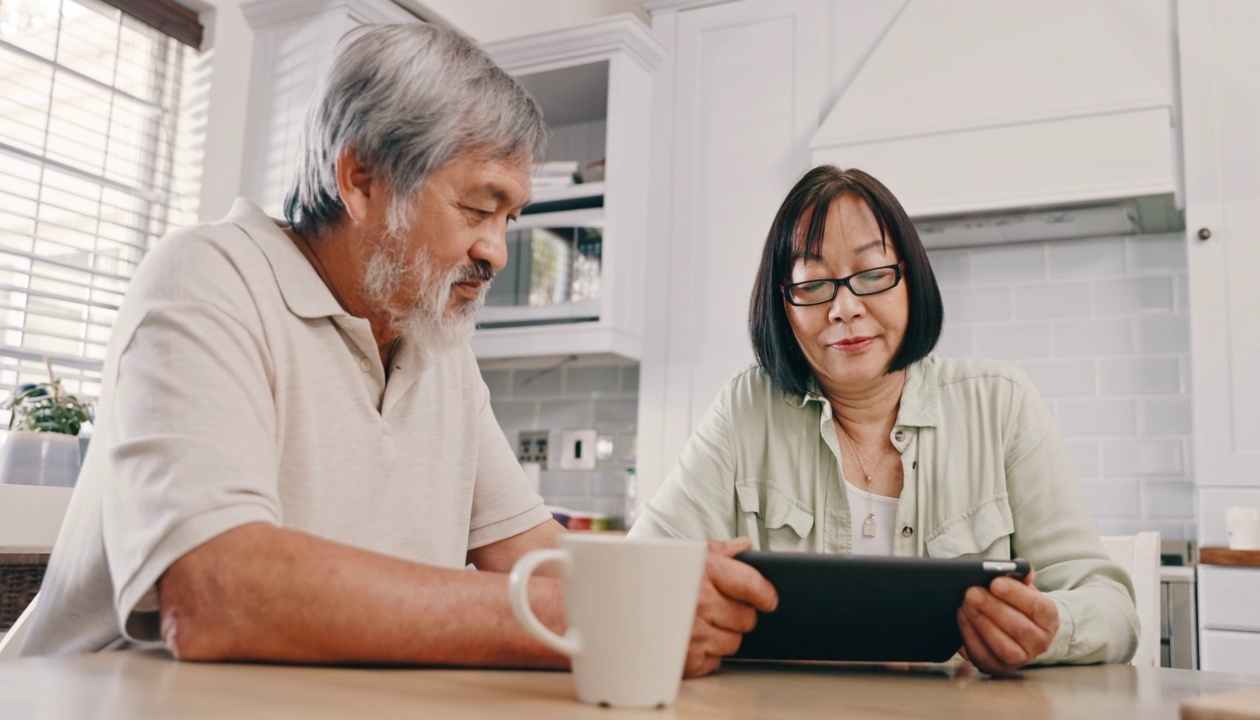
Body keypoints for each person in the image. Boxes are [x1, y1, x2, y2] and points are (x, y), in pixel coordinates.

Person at [20, 23, 776, 677]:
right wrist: (588, 616)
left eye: (510, 217)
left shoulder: (434, 341)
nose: (497, 251)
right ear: (362, 177)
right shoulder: (207, 277)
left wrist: (664, 587)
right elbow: (216, 593)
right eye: (480, 208)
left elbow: (532, 555)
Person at [629, 166, 1139, 675]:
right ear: (782, 304)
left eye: (873, 275)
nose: (845, 308)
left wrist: (1047, 625)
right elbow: (633, 578)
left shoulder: (999, 405)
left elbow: (1113, 610)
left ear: (910, 280)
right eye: (812, 284)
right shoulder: (746, 410)